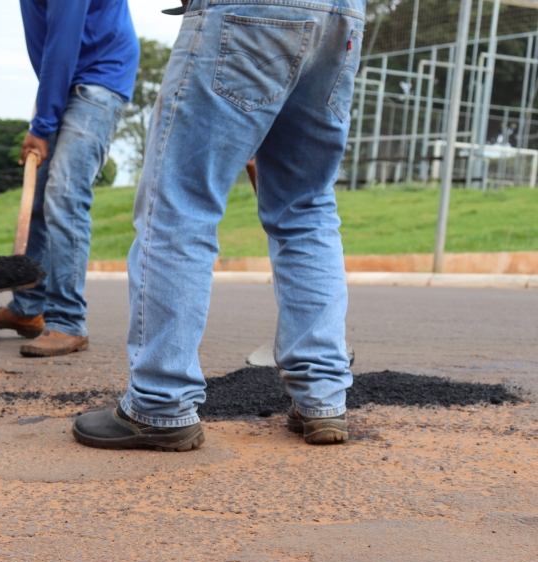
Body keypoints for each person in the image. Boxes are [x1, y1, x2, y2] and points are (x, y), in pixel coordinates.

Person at [73, 0, 365, 448]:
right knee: (306, 207)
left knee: (180, 202)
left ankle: (160, 403)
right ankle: (322, 398)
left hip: (246, 14)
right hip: (341, 18)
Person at [0, 0, 140, 358]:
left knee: (64, 195)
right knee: (42, 198)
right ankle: (29, 309)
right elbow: (48, 44)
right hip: (67, 84)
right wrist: (44, 109)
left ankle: (68, 322)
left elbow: (63, 41)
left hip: (97, 83)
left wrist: (42, 126)